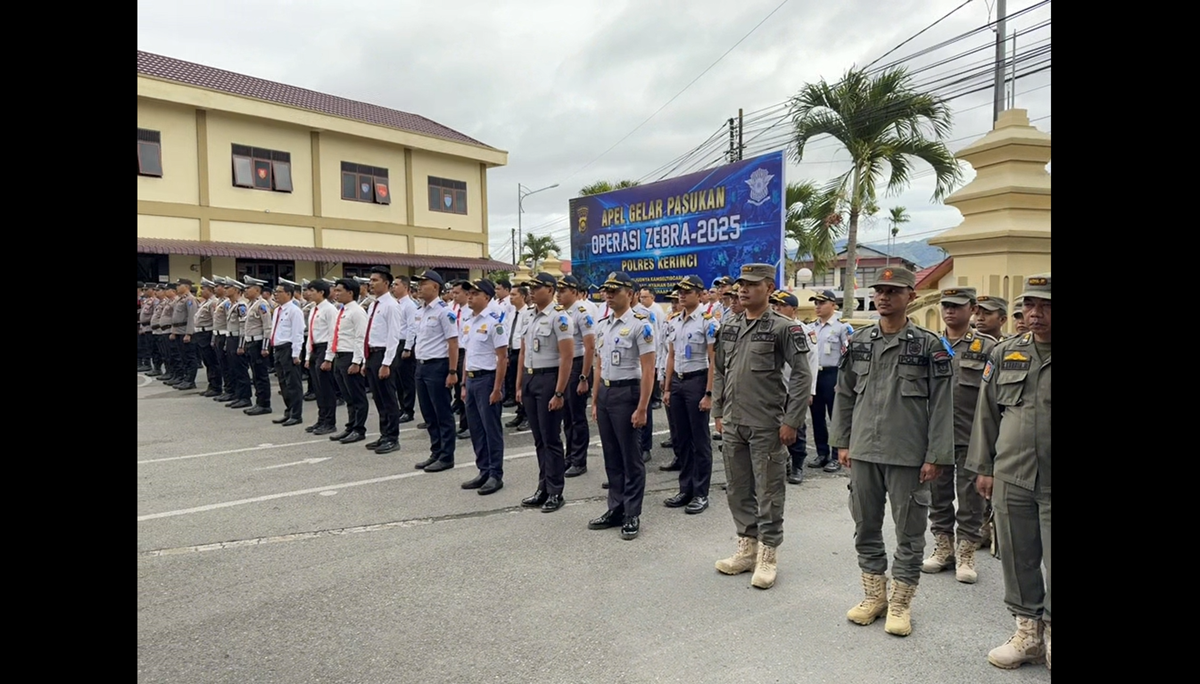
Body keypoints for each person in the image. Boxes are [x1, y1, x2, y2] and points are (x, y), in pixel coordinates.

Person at [831, 266, 954, 636]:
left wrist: (936, 455)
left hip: (909, 454)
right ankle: (874, 596)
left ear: (910, 296)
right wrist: (842, 440)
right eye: (879, 290)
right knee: (865, 526)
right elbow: (845, 392)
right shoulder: (860, 341)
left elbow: (943, 404)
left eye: (893, 291)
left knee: (910, 532)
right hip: (865, 450)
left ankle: (900, 603)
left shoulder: (929, 344)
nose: (883, 297)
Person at [711, 264, 814, 590]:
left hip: (767, 424)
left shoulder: (785, 328)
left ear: (769, 288)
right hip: (734, 420)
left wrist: (792, 420)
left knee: (768, 490)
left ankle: (768, 554)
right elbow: (720, 372)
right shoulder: (729, 326)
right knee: (738, 488)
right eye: (741, 284)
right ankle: (746, 547)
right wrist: (717, 411)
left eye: (752, 285)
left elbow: (801, 375)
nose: (743, 290)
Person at [967, 274, 1051, 671]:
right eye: (1030, 306)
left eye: (1046, 306)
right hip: (1013, 475)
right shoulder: (1006, 354)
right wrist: (984, 467)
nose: (1036, 315)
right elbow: (987, 414)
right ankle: (1028, 633)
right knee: (1017, 557)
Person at [921, 287, 997, 583]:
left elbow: (995, 398)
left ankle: (967, 550)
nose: (950, 311)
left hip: (972, 435)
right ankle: (943, 547)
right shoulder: (931, 344)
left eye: (956, 306)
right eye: (946, 306)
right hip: (937, 435)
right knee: (937, 495)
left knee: (970, 498)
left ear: (972, 308)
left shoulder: (987, 347)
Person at [587, 271, 655, 540]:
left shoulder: (641, 324)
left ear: (630, 293)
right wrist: (594, 400)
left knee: (631, 457)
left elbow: (649, 370)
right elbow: (599, 365)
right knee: (612, 456)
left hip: (628, 392)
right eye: (607, 291)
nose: (609, 295)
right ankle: (615, 508)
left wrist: (642, 408)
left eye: (615, 291)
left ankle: (632, 513)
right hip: (606, 393)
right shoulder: (603, 325)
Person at [515, 272, 576, 513]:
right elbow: (523, 352)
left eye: (537, 286)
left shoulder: (559, 318)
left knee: (551, 439)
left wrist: (559, 392)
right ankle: (543, 487)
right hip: (531, 377)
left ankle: (555, 491)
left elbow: (567, 357)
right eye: (530, 286)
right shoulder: (528, 315)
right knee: (538, 438)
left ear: (550, 290)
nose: (532, 290)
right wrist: (520, 384)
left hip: (549, 378)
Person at [662, 275, 718, 514]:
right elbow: (671, 356)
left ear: (700, 294)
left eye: (687, 291)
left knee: (699, 440)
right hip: (677, 383)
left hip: (697, 381)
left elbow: (714, 360)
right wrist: (666, 387)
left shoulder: (708, 322)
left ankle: (701, 492)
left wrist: (709, 393)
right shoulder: (674, 321)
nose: (681, 295)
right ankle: (685, 488)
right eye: (679, 292)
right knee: (681, 440)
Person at [458, 278, 507, 495]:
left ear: (487, 297)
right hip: (471, 379)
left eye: (475, 294)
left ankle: (495, 473)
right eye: (468, 293)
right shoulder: (468, 321)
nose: (470, 297)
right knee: (476, 428)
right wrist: (463, 384)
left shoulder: (494, 322)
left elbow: (502, 357)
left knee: (491, 429)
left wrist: (497, 388)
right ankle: (483, 469)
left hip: (488, 380)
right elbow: (467, 355)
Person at [410, 270, 460, 470]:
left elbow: (453, 342)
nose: (419, 287)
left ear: (436, 287)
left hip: (438, 366)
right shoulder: (420, 311)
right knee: (428, 413)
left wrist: (452, 371)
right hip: (421, 366)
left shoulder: (444, 311)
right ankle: (436, 451)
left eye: (424, 283)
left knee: (442, 413)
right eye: (419, 283)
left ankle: (447, 456)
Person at [807, 289, 852, 472]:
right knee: (817, 418)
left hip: (834, 374)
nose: (818, 306)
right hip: (816, 375)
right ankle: (822, 453)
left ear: (833, 305)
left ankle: (835, 455)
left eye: (822, 303)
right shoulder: (811, 327)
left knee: (836, 418)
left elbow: (848, 355)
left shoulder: (842, 327)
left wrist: (842, 380)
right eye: (816, 303)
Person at [556, 275, 596, 477]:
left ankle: (579, 460)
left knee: (577, 416)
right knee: (566, 416)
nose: (559, 295)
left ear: (574, 291)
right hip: (564, 365)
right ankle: (570, 455)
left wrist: (584, 377)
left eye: (563, 291)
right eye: (558, 291)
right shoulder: (559, 313)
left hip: (578, 364)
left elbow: (590, 347)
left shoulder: (582, 313)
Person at [362, 266, 404, 455]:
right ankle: (384, 434)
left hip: (383, 355)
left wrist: (387, 363)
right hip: (372, 354)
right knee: (378, 398)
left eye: (375, 280)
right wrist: (365, 360)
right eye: (370, 280)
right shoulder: (374, 304)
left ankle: (392, 437)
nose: (371, 283)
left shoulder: (391, 305)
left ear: (386, 283)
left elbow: (393, 336)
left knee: (388, 398)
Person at [326, 278, 369, 444]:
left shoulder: (357, 311)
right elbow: (334, 335)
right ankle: (351, 426)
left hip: (351, 356)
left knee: (357, 396)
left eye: (339, 291)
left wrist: (357, 361)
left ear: (350, 293)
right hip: (340, 356)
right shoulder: (341, 310)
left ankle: (359, 429)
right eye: (335, 290)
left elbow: (361, 337)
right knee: (347, 396)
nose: (335, 294)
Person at [303, 280, 340, 435]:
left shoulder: (329, 310)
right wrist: (307, 355)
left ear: (321, 292)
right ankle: (321, 419)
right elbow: (311, 335)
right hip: (315, 349)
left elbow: (333, 334)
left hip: (325, 348)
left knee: (326, 388)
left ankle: (330, 422)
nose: (308, 293)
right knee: (318, 388)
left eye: (311, 290)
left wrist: (329, 358)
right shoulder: (314, 309)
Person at [268, 281, 306, 426]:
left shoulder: (294, 310)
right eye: (275, 291)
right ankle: (288, 411)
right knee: (283, 382)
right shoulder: (278, 310)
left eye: (279, 292)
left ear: (289, 294)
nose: (275, 294)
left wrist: (296, 354)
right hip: (278, 349)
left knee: (293, 383)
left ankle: (296, 414)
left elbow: (297, 333)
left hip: (288, 348)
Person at [240, 276, 274, 415]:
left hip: (258, 342)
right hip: (250, 342)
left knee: (261, 375)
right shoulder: (250, 304)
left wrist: (265, 347)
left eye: (248, 288)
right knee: (255, 374)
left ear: (257, 289)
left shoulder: (262, 304)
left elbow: (267, 327)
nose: (245, 290)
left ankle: (264, 404)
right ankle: (259, 401)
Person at [393, 276, 419, 423]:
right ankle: (401, 408)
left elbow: (412, 327)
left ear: (405, 287)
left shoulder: (409, 305)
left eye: (397, 285)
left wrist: (408, 347)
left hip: (405, 344)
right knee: (398, 380)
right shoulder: (396, 304)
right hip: (396, 343)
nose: (394, 287)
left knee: (406, 380)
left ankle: (408, 410)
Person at [222, 279, 252, 409]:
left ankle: (245, 397)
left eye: (229, 287)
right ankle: (238, 395)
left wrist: (241, 345)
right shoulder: (231, 304)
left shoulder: (241, 306)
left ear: (236, 290)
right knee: (233, 368)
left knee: (240, 369)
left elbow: (242, 327)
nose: (226, 289)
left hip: (237, 340)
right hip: (230, 339)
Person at [194, 278, 223, 397]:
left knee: (212, 362)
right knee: (207, 362)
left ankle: (216, 386)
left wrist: (213, 338)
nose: (201, 291)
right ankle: (211, 385)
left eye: (203, 289)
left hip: (208, 333)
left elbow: (215, 320)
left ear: (210, 290)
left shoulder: (213, 303)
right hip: (201, 334)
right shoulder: (204, 302)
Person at [169, 279, 199, 390]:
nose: (177, 287)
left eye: (179, 285)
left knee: (189, 356)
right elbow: (174, 317)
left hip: (185, 331)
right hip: (178, 331)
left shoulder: (190, 299)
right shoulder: (179, 300)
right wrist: (173, 331)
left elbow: (192, 317)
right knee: (182, 356)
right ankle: (185, 378)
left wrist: (189, 333)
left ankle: (190, 380)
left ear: (186, 286)